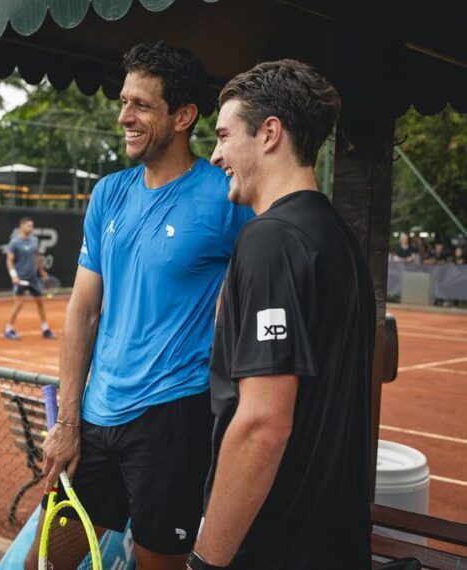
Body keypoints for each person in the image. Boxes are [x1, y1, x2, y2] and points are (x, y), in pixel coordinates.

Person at [25, 41, 253, 569]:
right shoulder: (108, 193)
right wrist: (68, 423)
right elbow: (82, 311)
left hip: (174, 419)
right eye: (124, 102)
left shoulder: (226, 195)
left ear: (184, 116)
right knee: (44, 563)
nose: (124, 116)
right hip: (96, 419)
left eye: (142, 105)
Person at [188, 60, 375, 570]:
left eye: (225, 136)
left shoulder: (270, 239)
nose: (216, 153)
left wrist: (207, 561)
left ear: (269, 133)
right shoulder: (336, 238)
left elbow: (263, 424)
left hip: (275, 550)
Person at [4, 216, 56, 340]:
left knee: (40, 302)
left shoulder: (34, 240)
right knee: (19, 303)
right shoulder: (15, 242)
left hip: (33, 278)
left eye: (32, 226)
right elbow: (9, 260)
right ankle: (8, 329)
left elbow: (36, 257)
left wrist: (42, 271)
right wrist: (14, 276)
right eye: (28, 226)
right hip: (20, 278)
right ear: (22, 226)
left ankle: (45, 329)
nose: (30, 228)